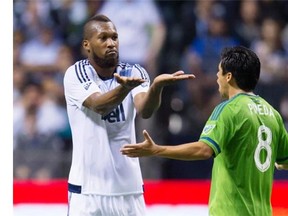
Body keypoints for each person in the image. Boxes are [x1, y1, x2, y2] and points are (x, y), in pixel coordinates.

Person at [121, 46, 288, 216]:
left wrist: (157, 150)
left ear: (228, 77)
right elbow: (285, 160)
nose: (216, 77)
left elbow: (204, 149)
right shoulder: (273, 114)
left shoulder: (229, 109)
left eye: (219, 71)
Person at [63, 14, 194, 216]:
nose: (111, 43)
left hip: (129, 190)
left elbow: (146, 110)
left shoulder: (135, 71)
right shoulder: (76, 73)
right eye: (103, 38)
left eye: (114, 37)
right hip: (87, 191)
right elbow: (99, 105)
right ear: (87, 45)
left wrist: (157, 87)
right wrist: (124, 88)